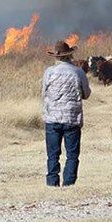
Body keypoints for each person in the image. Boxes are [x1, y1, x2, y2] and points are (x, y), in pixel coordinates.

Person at [41, 40, 92, 187]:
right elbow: (86, 94)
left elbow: (44, 93)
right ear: (70, 55)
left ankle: (52, 182)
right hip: (72, 118)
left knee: (52, 154)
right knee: (72, 154)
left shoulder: (49, 72)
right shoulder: (78, 72)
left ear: (56, 57)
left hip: (52, 118)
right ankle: (68, 184)